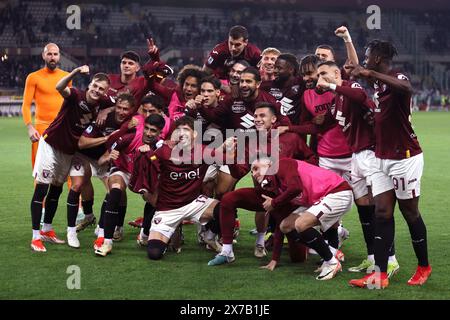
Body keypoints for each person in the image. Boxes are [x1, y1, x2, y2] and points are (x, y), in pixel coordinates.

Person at [348, 40, 431, 288]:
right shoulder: (376, 84)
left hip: (404, 158)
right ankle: (379, 274)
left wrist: (370, 73)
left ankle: (424, 266)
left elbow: (407, 88)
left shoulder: (396, 76)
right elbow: (354, 67)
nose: (364, 60)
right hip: (381, 158)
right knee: (382, 212)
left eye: (367, 56)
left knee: (409, 212)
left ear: (378, 58)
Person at [315, 60, 399, 277]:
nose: (320, 78)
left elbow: (362, 98)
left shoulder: (351, 87)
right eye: (317, 75)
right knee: (365, 211)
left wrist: (333, 85)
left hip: (371, 153)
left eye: (323, 73)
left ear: (336, 72)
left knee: (381, 210)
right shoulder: (335, 102)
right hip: (356, 157)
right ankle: (372, 257)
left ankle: (390, 259)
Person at [207, 102, 317, 265]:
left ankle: (321, 241)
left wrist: (299, 175)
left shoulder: (291, 138)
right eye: (255, 116)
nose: (257, 119)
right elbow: (239, 172)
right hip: (265, 196)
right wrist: (230, 158)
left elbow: (312, 159)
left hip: (290, 199)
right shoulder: (250, 141)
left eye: (262, 116)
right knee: (228, 199)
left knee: (298, 258)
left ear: (273, 119)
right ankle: (227, 250)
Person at [30, 66, 111, 252]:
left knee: (56, 189)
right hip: (50, 144)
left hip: (68, 151)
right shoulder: (76, 95)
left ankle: (47, 230)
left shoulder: (102, 103)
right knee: (42, 187)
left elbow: (120, 101)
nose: (97, 90)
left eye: (101, 89)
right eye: (95, 86)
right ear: (89, 85)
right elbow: (59, 87)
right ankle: (35, 237)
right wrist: (75, 72)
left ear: (105, 92)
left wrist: (106, 111)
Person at [145, 116, 235, 260]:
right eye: (178, 130)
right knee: (154, 253)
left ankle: (210, 237)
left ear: (195, 134)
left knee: (227, 207)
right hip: (168, 209)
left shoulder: (204, 152)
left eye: (186, 130)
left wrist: (227, 146)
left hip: (194, 203)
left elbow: (229, 159)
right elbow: (146, 173)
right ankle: (168, 234)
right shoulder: (163, 152)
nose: (181, 133)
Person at [254, 157, 353, 280]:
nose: (254, 173)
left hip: (336, 192)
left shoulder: (281, 164)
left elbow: (296, 188)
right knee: (285, 226)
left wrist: (274, 203)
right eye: (252, 171)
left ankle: (332, 262)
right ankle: (330, 254)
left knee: (301, 224)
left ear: (269, 164)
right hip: (323, 196)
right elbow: (281, 218)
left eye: (256, 168)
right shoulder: (275, 184)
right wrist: (275, 259)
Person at [72, 93, 136, 232]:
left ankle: (115, 226)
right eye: (119, 107)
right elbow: (82, 143)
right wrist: (108, 137)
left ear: (132, 110)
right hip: (88, 154)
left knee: (116, 190)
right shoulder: (104, 119)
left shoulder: (134, 123)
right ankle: (88, 217)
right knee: (82, 179)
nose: (121, 111)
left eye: (125, 109)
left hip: (110, 157)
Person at [21, 43, 70, 169]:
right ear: (43, 55)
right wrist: (30, 127)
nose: (52, 57)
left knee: (69, 170)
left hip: (62, 127)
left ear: (59, 56)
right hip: (41, 128)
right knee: (40, 169)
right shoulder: (33, 77)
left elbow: (70, 103)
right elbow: (26, 105)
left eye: (55, 54)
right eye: (49, 54)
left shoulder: (66, 77)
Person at [261, 53, 305, 125]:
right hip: (274, 130)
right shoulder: (266, 86)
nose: (274, 71)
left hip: (294, 130)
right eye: (274, 67)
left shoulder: (302, 83)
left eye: (279, 68)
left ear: (291, 70)